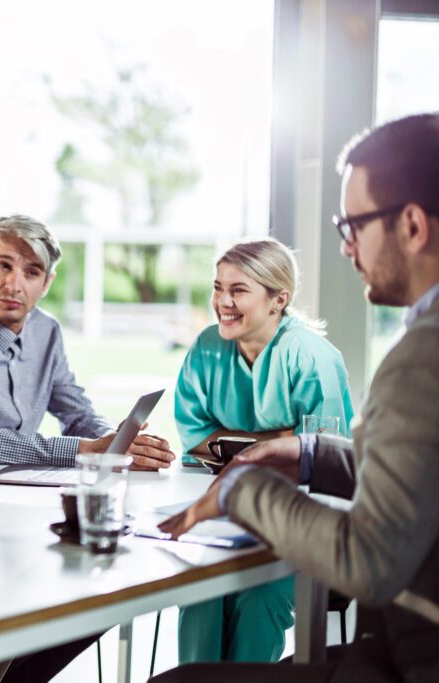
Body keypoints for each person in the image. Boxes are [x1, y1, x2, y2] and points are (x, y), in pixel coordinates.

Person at [155, 113, 439, 681]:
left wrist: (243, 486)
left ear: (411, 226)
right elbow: (422, 470)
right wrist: (310, 452)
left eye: (353, 225)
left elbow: (370, 560)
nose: (345, 246)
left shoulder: (420, 359)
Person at [172, 237, 356, 664]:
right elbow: (194, 436)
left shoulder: (312, 358)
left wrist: (238, 442)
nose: (222, 301)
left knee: (256, 595)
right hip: (225, 515)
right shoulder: (206, 347)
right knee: (200, 588)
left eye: (238, 290)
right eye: (218, 287)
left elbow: (323, 453)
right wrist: (278, 439)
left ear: (278, 300)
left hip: (306, 520)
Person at [0, 214, 175, 471]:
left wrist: (116, 443)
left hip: (20, 485)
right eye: (4, 266)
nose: (14, 285)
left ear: (47, 283)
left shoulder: (46, 330)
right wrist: (86, 449)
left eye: (32, 272)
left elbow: (77, 413)